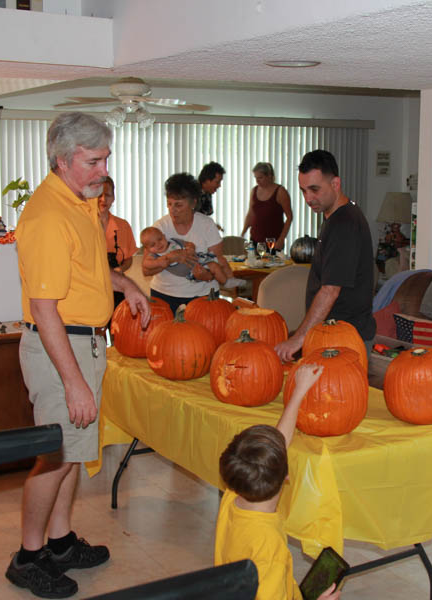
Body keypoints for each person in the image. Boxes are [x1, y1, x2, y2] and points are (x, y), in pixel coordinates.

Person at [7, 112, 151, 599]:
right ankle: (28, 557)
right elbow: (43, 308)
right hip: (58, 348)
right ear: (63, 161)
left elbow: (90, 269)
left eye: (105, 158)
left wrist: (126, 283)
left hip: (85, 341)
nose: (102, 170)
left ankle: (60, 541)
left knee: (72, 453)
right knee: (53, 456)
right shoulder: (47, 216)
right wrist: (72, 382)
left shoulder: (80, 202)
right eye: (93, 161)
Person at [214, 363, 340, 600]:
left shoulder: (234, 494)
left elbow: (277, 444)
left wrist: (299, 392)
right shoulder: (269, 547)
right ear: (287, 477)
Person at [275, 150, 375, 363]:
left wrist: (298, 339)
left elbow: (330, 290)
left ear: (335, 184)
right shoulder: (335, 218)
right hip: (331, 338)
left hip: (345, 342)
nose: (308, 198)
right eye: (303, 191)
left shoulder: (344, 224)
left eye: (314, 189)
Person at [144, 172, 233, 314]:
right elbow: (146, 269)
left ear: (193, 203)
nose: (172, 210)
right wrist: (168, 258)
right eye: (169, 204)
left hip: (202, 297)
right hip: (164, 296)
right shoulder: (160, 227)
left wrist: (207, 275)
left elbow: (218, 261)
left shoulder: (207, 225)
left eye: (178, 205)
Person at [140, 226, 242, 288]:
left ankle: (227, 282)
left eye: (160, 239)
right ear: (147, 249)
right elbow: (146, 265)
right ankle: (225, 280)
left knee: (215, 265)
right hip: (190, 273)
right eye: (153, 245)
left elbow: (189, 243)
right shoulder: (154, 255)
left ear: (164, 235)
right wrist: (161, 261)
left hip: (199, 262)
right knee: (215, 267)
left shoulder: (173, 242)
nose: (158, 244)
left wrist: (190, 249)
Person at [97, 176, 138, 311]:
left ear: (113, 198)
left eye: (107, 195)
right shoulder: (83, 224)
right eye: (99, 195)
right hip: (92, 288)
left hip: (117, 288)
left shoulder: (123, 226)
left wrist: (120, 269)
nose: (103, 199)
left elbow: (129, 259)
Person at [241, 162, 293, 251]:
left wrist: (281, 239)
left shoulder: (280, 192)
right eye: (256, 178)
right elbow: (251, 214)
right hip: (255, 240)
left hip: (273, 242)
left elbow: (289, 217)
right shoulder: (254, 191)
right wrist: (243, 233)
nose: (257, 181)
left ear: (269, 176)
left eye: (260, 177)